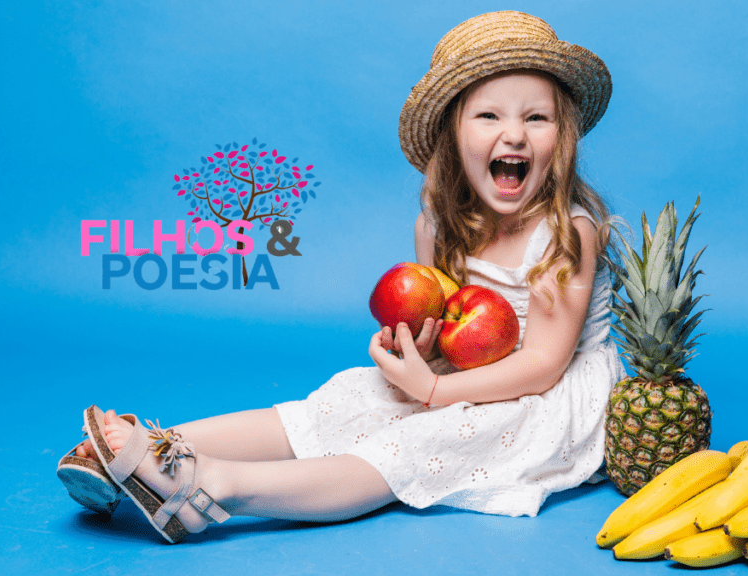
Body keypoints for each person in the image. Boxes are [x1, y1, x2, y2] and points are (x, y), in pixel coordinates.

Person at [58, 10, 627, 543]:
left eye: (536, 117)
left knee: (410, 445)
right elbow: (448, 322)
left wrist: (434, 390)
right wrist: (419, 352)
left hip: (544, 395)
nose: (515, 135)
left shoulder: (565, 234)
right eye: (489, 115)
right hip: (467, 373)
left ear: (563, 135)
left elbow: (543, 365)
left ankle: (210, 484)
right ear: (455, 134)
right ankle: (153, 446)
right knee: (343, 403)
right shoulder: (440, 224)